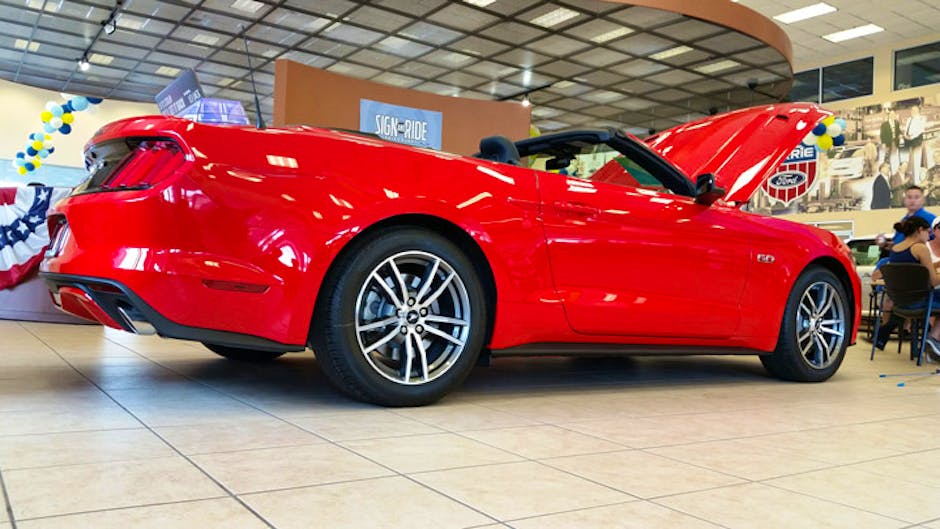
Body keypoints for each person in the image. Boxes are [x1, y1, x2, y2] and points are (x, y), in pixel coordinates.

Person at [883, 216, 940, 361]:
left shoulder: (895, 249)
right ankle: (933, 338)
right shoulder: (920, 248)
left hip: (900, 303)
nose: (929, 236)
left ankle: (934, 343)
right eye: (928, 232)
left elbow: (916, 271)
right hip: (919, 302)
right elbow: (933, 281)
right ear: (920, 230)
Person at [904, 105, 926, 184]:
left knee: (917, 161)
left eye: (914, 110)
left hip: (916, 141)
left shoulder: (921, 119)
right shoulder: (909, 119)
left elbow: (920, 130)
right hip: (909, 142)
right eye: (911, 110)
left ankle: (917, 181)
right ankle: (912, 179)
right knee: (910, 162)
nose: (912, 111)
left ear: (917, 111)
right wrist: (905, 135)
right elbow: (906, 129)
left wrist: (911, 137)